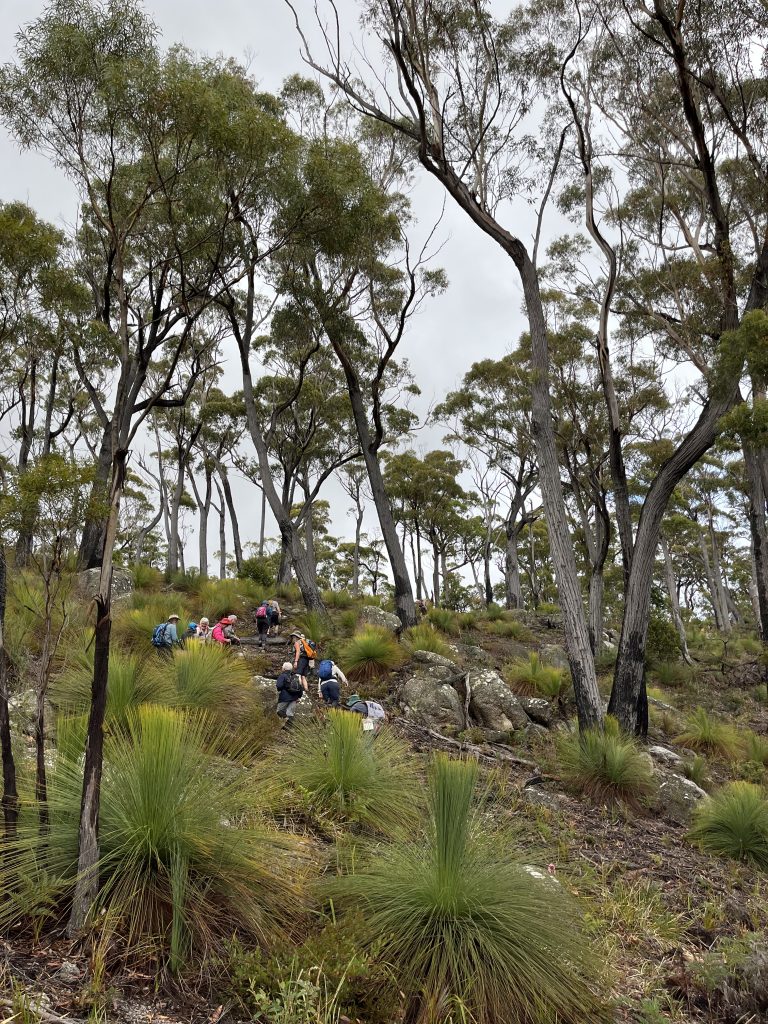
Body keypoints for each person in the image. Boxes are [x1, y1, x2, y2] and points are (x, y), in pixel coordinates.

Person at [275, 660, 306, 725]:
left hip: (284, 697)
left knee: (279, 711)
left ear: (284, 668)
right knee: (290, 713)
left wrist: (280, 689)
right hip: (294, 698)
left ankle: (286, 723)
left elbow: (279, 686)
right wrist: (299, 697)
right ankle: (290, 728)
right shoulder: (295, 676)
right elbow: (300, 687)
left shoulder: (283, 676)